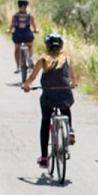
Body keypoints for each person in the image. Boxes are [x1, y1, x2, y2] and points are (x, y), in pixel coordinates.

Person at [22, 32, 75, 169]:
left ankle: (44, 157)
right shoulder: (66, 59)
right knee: (66, 106)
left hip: (49, 95)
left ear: (47, 46)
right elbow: (72, 78)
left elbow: (32, 76)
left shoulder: (43, 59)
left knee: (45, 122)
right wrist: (73, 84)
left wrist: (26, 85)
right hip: (64, 93)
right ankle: (70, 131)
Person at [9, 0, 38, 73]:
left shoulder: (15, 16)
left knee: (17, 49)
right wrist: (35, 30)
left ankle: (18, 66)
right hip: (27, 35)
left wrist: (9, 30)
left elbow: (12, 26)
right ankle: (30, 57)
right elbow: (34, 26)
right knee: (30, 46)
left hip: (18, 35)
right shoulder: (29, 16)